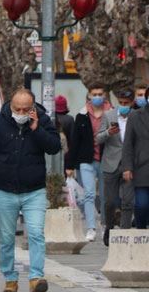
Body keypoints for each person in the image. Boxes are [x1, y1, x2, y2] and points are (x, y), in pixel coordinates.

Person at [0, 89, 61, 292]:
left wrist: (36, 129)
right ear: (10, 106)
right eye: (17, 108)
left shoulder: (43, 121)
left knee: (36, 233)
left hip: (34, 190)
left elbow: (54, 147)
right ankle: (10, 279)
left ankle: (36, 278)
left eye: (25, 109)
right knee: (5, 237)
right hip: (5, 189)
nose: (21, 112)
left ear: (33, 108)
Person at [68, 84, 112, 241]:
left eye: (100, 93)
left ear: (105, 95)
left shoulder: (112, 114)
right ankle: (91, 228)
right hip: (87, 160)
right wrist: (70, 165)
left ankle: (106, 224)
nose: (97, 96)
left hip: (107, 160)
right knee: (89, 194)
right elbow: (75, 142)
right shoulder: (82, 115)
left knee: (106, 195)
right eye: (94, 94)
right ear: (89, 96)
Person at [96, 90, 135, 245]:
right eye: (121, 103)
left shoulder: (137, 116)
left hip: (129, 165)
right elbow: (98, 138)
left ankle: (124, 233)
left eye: (126, 103)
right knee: (110, 201)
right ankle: (110, 228)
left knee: (127, 201)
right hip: (111, 163)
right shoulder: (109, 115)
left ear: (131, 103)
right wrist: (107, 132)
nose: (123, 106)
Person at [122, 89, 149, 229]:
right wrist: (127, 167)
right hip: (142, 168)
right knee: (142, 204)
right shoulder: (135, 116)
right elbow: (127, 144)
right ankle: (141, 229)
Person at [54, 95, 75, 175]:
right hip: (66, 154)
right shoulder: (69, 119)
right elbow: (72, 139)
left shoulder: (50, 118)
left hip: (52, 154)